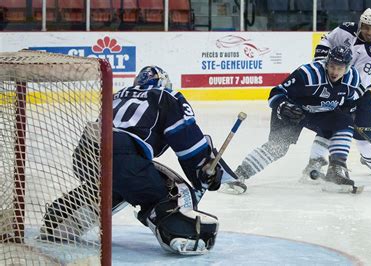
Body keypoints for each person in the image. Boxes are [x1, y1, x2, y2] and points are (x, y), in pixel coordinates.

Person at [39, 66, 238, 255]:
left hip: (85, 153)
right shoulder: (166, 96)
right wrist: (203, 168)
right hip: (121, 156)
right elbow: (186, 138)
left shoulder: (119, 95)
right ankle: (182, 233)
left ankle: (58, 219)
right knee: (170, 192)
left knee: (115, 186)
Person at [220, 46, 364, 195]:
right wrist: (283, 106)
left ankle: (336, 171)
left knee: (344, 123)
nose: (334, 72)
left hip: (319, 112)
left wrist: (348, 119)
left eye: (339, 68)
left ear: (346, 68)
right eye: (332, 66)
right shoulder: (309, 73)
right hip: (293, 111)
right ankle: (238, 175)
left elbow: (347, 105)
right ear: (327, 63)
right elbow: (276, 93)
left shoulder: (352, 78)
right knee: (278, 147)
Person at [301, 8, 371, 181]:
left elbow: (360, 80)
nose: (370, 32)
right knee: (328, 127)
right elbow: (327, 40)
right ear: (361, 24)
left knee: (364, 137)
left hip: (358, 93)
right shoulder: (346, 29)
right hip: (330, 84)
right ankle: (314, 162)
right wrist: (319, 65)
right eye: (367, 27)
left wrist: (345, 100)